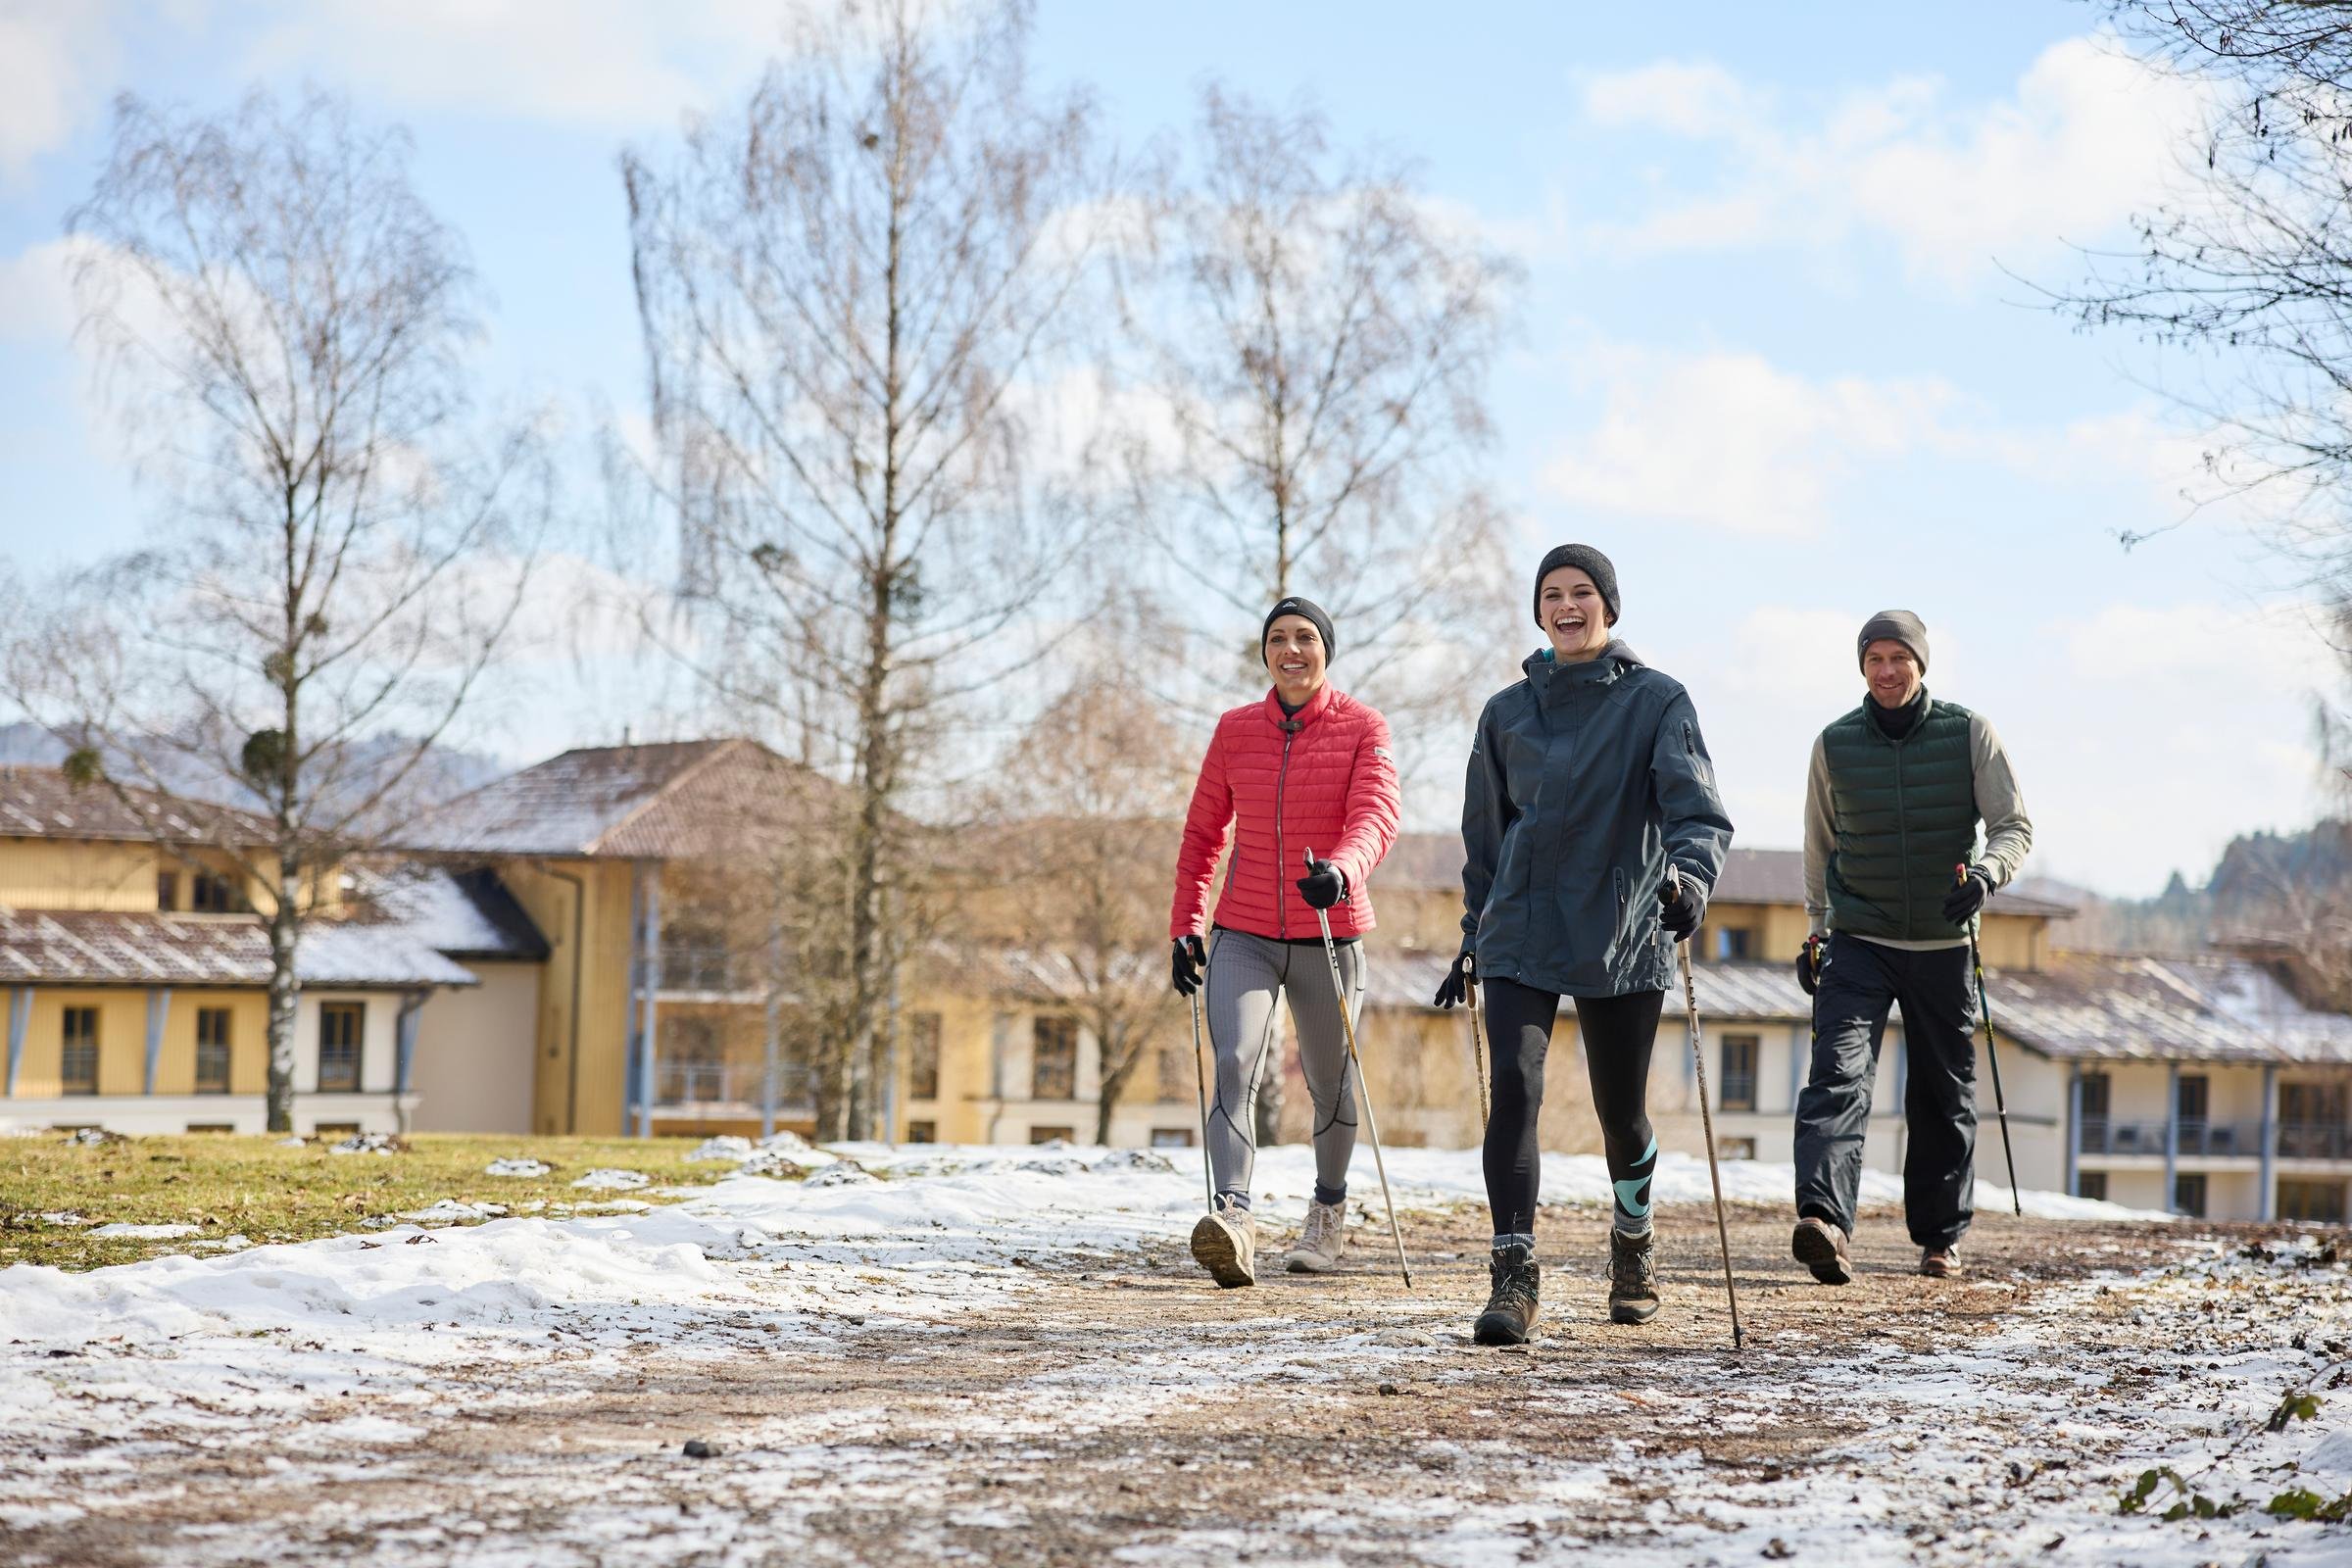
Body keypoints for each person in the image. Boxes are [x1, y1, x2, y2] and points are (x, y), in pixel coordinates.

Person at [1434, 545, 1734, 1346]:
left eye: (1583, 593)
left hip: (1620, 926)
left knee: (1621, 1112)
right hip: (1521, 928)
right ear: (1538, 611)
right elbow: (1485, 839)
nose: (1568, 606)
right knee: (1517, 1094)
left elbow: (1697, 816)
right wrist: (1472, 938)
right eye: (1552, 595)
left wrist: (1692, 883)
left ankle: (1632, 1242)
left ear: (1610, 606)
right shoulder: (1505, 713)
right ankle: (1513, 1275)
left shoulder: (1657, 702)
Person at [1789, 610, 2033, 1284]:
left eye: (1900, 658)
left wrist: (1987, 875)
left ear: (1921, 664)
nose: (1887, 671)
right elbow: (1820, 845)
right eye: (1875, 660)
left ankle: (1938, 1238)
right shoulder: (1835, 744)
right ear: (1862, 667)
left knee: (1941, 1092)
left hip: (1943, 940)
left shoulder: (1968, 734)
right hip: (1859, 938)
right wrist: (1817, 930)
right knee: (1837, 1076)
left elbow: (2013, 825)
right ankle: (1825, 1222)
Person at [1169, 596, 1401, 1288]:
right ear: (1264, 651)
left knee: (1329, 1080)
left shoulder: (1364, 726)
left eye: (1305, 637)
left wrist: (1341, 869)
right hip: (1244, 931)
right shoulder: (1235, 730)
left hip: (1329, 929)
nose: (1291, 650)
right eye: (1278, 638)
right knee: (1236, 1060)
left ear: (1326, 649)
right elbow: (1203, 832)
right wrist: (1186, 921)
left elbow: (1377, 815)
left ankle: (1327, 1212)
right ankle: (1231, 1218)